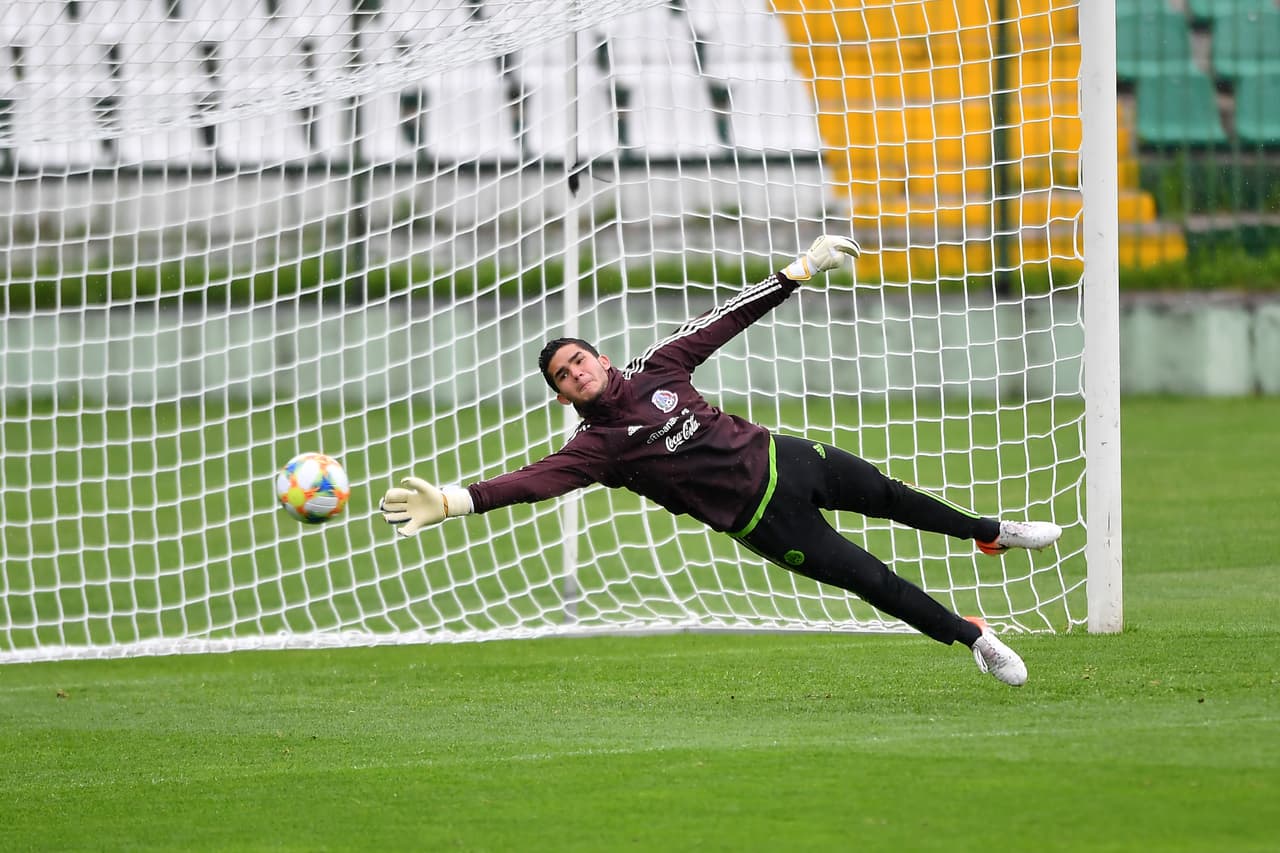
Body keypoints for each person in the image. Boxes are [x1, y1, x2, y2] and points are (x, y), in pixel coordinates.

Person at [379, 235, 1061, 686]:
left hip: (786, 458)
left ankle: (988, 530)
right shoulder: (595, 449)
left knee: (892, 494)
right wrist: (458, 498)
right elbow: (532, 483)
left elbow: (723, 318)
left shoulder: (658, 366)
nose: (575, 372)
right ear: (561, 393)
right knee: (871, 579)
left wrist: (796, 272)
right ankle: (972, 637)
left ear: (601, 357)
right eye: (562, 373)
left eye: (578, 358)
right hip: (764, 523)